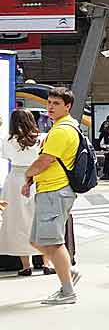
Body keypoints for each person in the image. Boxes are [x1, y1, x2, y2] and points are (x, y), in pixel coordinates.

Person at [20, 87, 81, 305]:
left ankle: (67, 291)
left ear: (68, 106)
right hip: (49, 190)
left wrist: (28, 173)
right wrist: (31, 180)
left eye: (56, 104)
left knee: (53, 243)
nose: (51, 107)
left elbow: (46, 160)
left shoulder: (62, 130)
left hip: (56, 190)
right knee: (36, 240)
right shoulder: (61, 127)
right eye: (49, 103)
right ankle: (68, 274)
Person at [0, 108, 50, 276]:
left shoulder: (7, 140)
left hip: (15, 180)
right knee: (41, 219)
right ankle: (47, 263)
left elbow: (5, 155)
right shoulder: (42, 138)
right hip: (37, 179)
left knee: (18, 221)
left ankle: (25, 266)